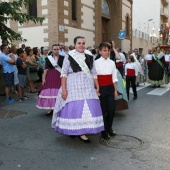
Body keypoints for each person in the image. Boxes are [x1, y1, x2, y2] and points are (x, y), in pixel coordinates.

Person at [52, 36, 104, 143]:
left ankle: (82, 132)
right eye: (79, 43)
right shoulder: (69, 56)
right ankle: (73, 129)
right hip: (73, 85)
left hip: (87, 86)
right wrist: (64, 89)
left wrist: (97, 86)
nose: (81, 45)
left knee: (87, 106)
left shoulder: (89, 56)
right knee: (74, 107)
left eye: (83, 43)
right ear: (75, 45)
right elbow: (64, 73)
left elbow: (93, 73)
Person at [95, 42, 118, 139]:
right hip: (101, 88)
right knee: (103, 110)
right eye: (104, 50)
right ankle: (104, 131)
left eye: (108, 50)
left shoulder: (112, 63)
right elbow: (94, 77)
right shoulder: (95, 63)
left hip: (110, 88)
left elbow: (114, 78)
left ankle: (109, 127)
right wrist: (97, 89)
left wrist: (115, 90)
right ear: (100, 52)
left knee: (112, 109)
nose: (107, 52)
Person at [36, 44, 64, 115]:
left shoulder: (63, 58)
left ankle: (59, 109)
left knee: (58, 92)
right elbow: (45, 69)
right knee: (50, 92)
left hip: (59, 76)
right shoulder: (48, 58)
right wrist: (43, 79)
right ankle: (50, 108)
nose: (56, 51)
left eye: (57, 49)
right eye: (55, 49)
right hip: (50, 76)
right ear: (52, 50)